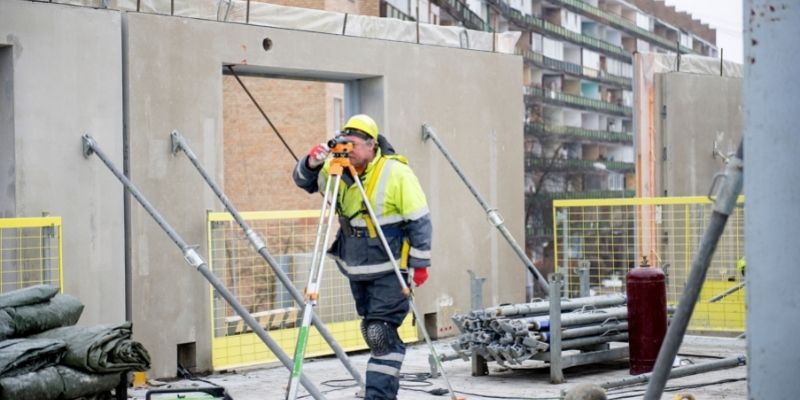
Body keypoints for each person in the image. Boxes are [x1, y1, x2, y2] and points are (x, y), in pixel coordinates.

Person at [293, 114, 432, 400]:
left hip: (391, 268)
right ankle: (380, 389)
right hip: (357, 267)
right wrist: (311, 163)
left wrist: (420, 263)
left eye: (354, 145)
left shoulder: (395, 172)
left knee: (380, 332)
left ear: (372, 146)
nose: (349, 150)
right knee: (371, 330)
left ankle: (378, 396)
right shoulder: (337, 170)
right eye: (345, 144)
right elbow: (303, 182)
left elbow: (419, 220)